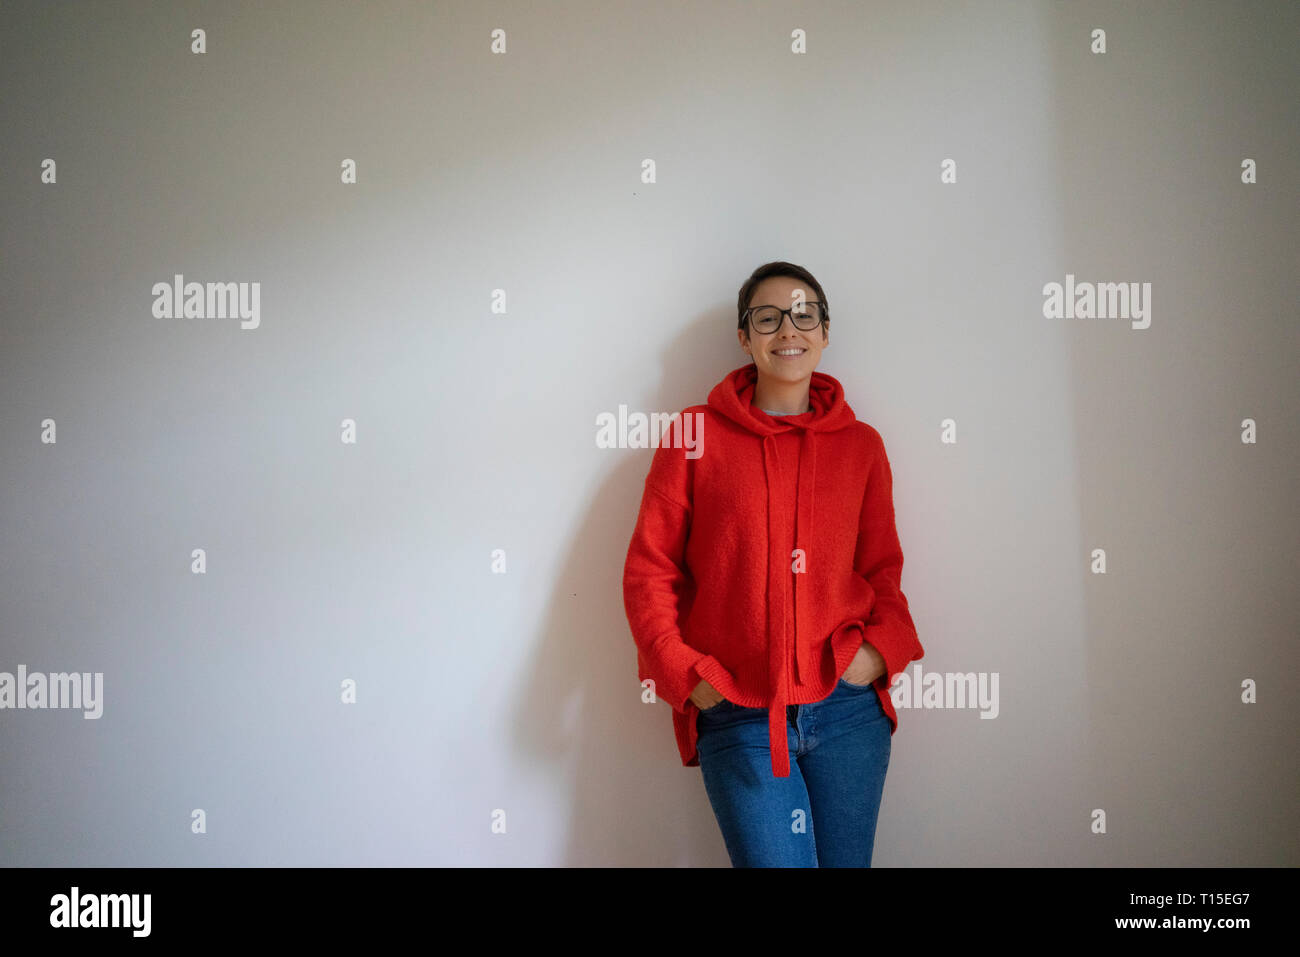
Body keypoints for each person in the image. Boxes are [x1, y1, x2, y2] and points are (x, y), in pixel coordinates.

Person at [622, 261, 924, 867]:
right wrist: (686, 674)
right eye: (768, 316)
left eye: (803, 313)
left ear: (825, 329)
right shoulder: (693, 436)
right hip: (741, 713)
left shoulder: (861, 446)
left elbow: (883, 570)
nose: (788, 328)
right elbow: (649, 572)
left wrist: (876, 654)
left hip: (846, 714)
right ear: (745, 336)